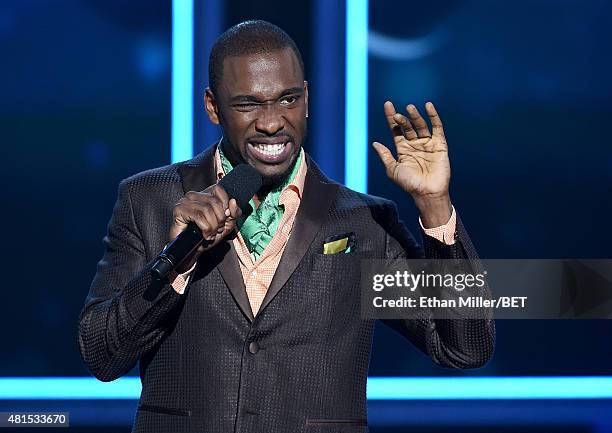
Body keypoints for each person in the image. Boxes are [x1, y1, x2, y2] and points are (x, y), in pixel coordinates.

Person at [78, 20, 494, 433]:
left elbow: (463, 346)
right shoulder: (150, 200)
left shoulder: (364, 222)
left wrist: (435, 205)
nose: (272, 122)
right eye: (248, 104)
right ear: (212, 106)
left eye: (287, 100)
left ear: (307, 99)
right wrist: (177, 264)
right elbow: (102, 354)